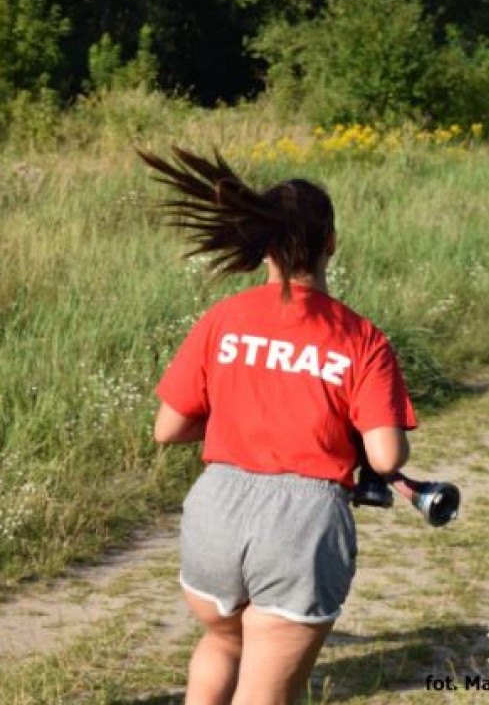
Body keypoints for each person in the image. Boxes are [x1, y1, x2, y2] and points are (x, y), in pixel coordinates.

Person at [140, 147, 416, 705]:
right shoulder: (361, 338)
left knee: (221, 643)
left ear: (263, 244)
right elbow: (386, 458)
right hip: (300, 524)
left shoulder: (223, 318)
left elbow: (168, 428)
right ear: (330, 243)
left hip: (215, 511)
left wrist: (235, 421)